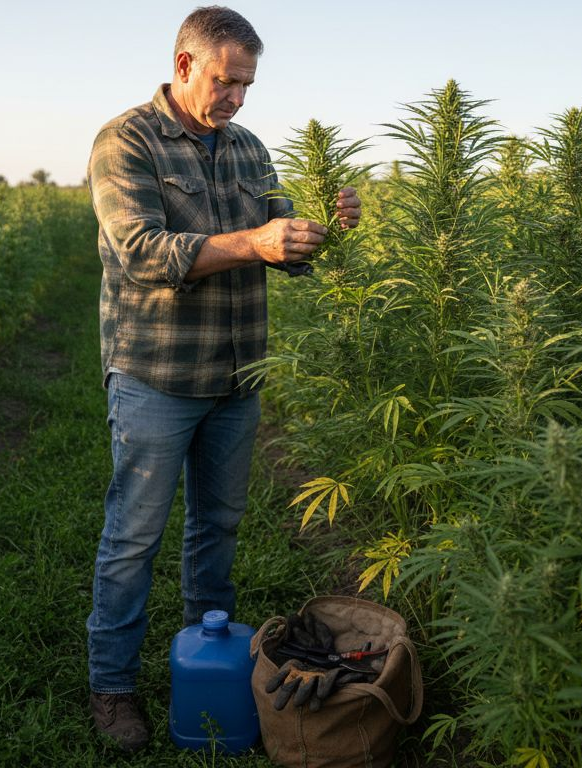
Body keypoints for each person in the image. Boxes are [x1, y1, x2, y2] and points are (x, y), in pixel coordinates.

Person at [84, 5, 361, 752]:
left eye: (247, 84)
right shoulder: (126, 141)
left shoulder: (249, 149)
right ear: (184, 66)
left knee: (219, 529)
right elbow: (144, 252)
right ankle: (112, 689)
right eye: (226, 81)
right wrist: (254, 241)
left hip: (238, 376)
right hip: (157, 376)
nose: (237, 97)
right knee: (133, 538)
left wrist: (323, 232)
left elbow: (286, 249)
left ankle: (208, 657)